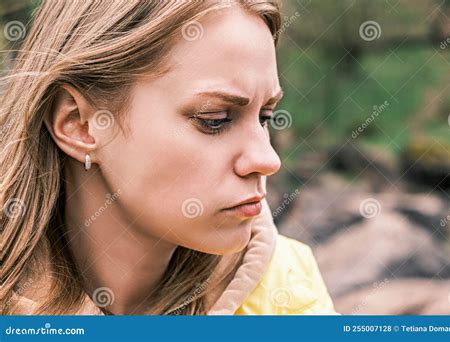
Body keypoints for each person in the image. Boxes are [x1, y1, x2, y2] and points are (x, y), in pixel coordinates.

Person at [1, 0, 337, 315]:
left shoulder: (289, 289)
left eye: (265, 117)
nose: (268, 159)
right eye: (214, 119)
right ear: (79, 124)